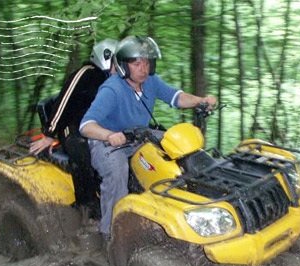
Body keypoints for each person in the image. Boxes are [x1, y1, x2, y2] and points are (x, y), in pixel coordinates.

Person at [79, 35, 217, 239]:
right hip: (107, 142)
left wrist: (201, 101)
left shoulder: (151, 82)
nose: (143, 68)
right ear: (124, 65)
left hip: (138, 134)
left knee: (176, 145)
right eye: (137, 63)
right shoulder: (112, 89)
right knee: (118, 172)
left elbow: (176, 97)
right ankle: (111, 233)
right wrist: (109, 135)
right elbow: (86, 125)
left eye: (147, 63)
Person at [29, 38, 118, 216]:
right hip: (72, 125)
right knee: (82, 149)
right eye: (118, 61)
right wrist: (49, 133)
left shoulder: (115, 82)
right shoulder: (86, 73)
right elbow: (63, 102)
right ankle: (86, 205)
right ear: (106, 57)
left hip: (98, 128)